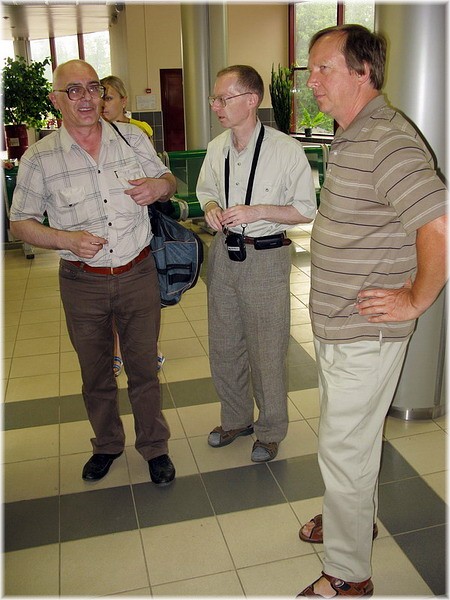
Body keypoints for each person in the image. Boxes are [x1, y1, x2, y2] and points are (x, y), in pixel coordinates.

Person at [296, 25, 447, 597]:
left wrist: (416, 297)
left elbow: (439, 225)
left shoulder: (385, 139)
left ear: (363, 72)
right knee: (350, 440)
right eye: (310, 69)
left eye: (323, 68)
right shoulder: (353, 133)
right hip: (342, 326)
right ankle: (350, 521)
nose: (311, 81)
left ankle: (348, 573)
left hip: (367, 331)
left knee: (344, 447)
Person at [9, 59, 177, 486]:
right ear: (56, 99)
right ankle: (107, 444)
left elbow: (167, 179)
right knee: (95, 373)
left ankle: (154, 447)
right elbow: (19, 223)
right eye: (74, 90)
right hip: (82, 281)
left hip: (138, 272)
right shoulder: (39, 158)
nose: (85, 98)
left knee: (144, 369)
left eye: (93, 87)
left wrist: (160, 186)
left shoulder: (131, 138)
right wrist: (65, 239)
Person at [196, 65, 317, 463]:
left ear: (251, 100)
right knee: (225, 345)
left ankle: (270, 430)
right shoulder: (217, 147)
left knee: (267, 350)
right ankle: (235, 419)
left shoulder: (286, 150)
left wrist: (257, 211)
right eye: (214, 99)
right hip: (223, 256)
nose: (216, 106)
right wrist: (211, 208)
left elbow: (305, 209)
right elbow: (206, 191)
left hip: (265, 256)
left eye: (223, 98)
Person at [100, 74, 165, 377]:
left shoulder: (137, 133)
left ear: (123, 100)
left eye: (109, 98)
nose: (103, 104)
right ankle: (116, 350)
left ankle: (151, 347)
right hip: (109, 231)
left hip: (140, 223)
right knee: (113, 300)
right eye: (100, 98)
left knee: (144, 299)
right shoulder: (93, 136)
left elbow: (156, 175)